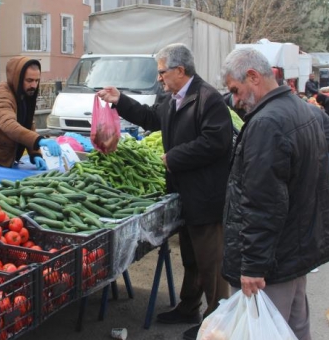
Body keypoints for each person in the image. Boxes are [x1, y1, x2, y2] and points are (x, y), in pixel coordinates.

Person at [97, 43, 232, 340]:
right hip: (184, 194)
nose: (159, 77)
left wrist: (175, 157)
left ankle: (218, 325)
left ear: (180, 71)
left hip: (207, 197)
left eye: (162, 71)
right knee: (192, 257)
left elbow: (217, 143)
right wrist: (120, 99)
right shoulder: (173, 99)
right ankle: (188, 308)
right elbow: (150, 118)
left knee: (212, 263)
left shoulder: (208, 99)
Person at [220, 48, 329, 340]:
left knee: (264, 331)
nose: (235, 100)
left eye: (235, 90)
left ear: (253, 77)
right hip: (294, 251)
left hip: (273, 262)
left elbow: (262, 203)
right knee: (294, 329)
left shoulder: (267, 123)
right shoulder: (303, 109)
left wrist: (253, 265)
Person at [0, 56, 61, 169]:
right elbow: (9, 125)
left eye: (37, 80)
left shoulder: (24, 94)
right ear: (18, 78)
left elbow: (28, 124)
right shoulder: (2, 95)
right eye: (29, 80)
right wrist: (38, 140)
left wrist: (35, 153)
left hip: (4, 160)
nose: (34, 86)